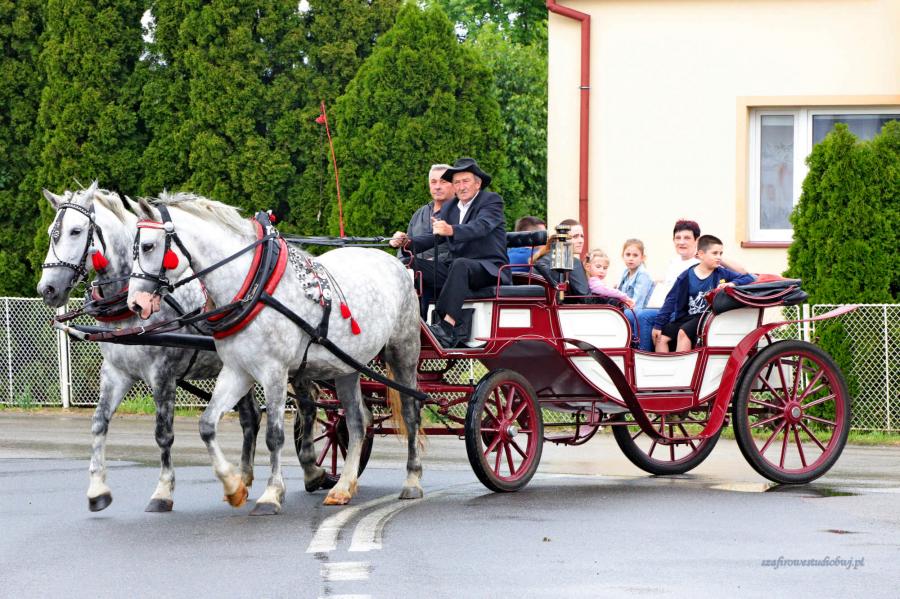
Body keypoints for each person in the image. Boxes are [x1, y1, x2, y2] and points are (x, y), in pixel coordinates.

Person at [405, 157, 508, 348]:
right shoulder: (450, 207)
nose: (461, 186)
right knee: (412, 265)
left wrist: (451, 230)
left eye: (465, 181)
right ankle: (417, 322)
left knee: (460, 264)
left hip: (488, 268)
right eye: (457, 182)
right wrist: (407, 242)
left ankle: (446, 327)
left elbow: (482, 227)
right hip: (456, 269)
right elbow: (434, 236)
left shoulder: (491, 201)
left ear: (477, 184)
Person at [652, 235, 755, 353]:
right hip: (688, 316)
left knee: (683, 332)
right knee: (661, 338)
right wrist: (658, 325)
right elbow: (671, 300)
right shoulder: (686, 276)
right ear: (701, 254)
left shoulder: (721, 273)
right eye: (715, 253)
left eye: (720, 253)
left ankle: (683, 365)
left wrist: (732, 283)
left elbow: (749, 277)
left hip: (707, 316)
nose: (719, 257)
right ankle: (665, 365)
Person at [389, 163, 454, 263]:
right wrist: (400, 242)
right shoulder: (420, 213)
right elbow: (405, 249)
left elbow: (463, 251)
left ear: (454, 185)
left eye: (443, 182)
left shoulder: (461, 212)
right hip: (414, 270)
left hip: (445, 270)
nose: (437, 186)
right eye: (433, 182)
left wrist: (432, 262)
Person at [532, 219, 590, 297]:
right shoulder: (572, 262)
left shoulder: (541, 258)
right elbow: (585, 299)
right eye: (575, 236)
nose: (581, 241)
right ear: (560, 239)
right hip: (560, 304)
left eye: (582, 236)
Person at [617, 239, 654, 310]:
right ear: (622, 256)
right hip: (624, 310)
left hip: (635, 312)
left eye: (635, 255)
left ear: (642, 258)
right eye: (628, 255)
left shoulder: (643, 275)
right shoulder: (625, 272)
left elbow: (637, 304)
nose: (631, 258)